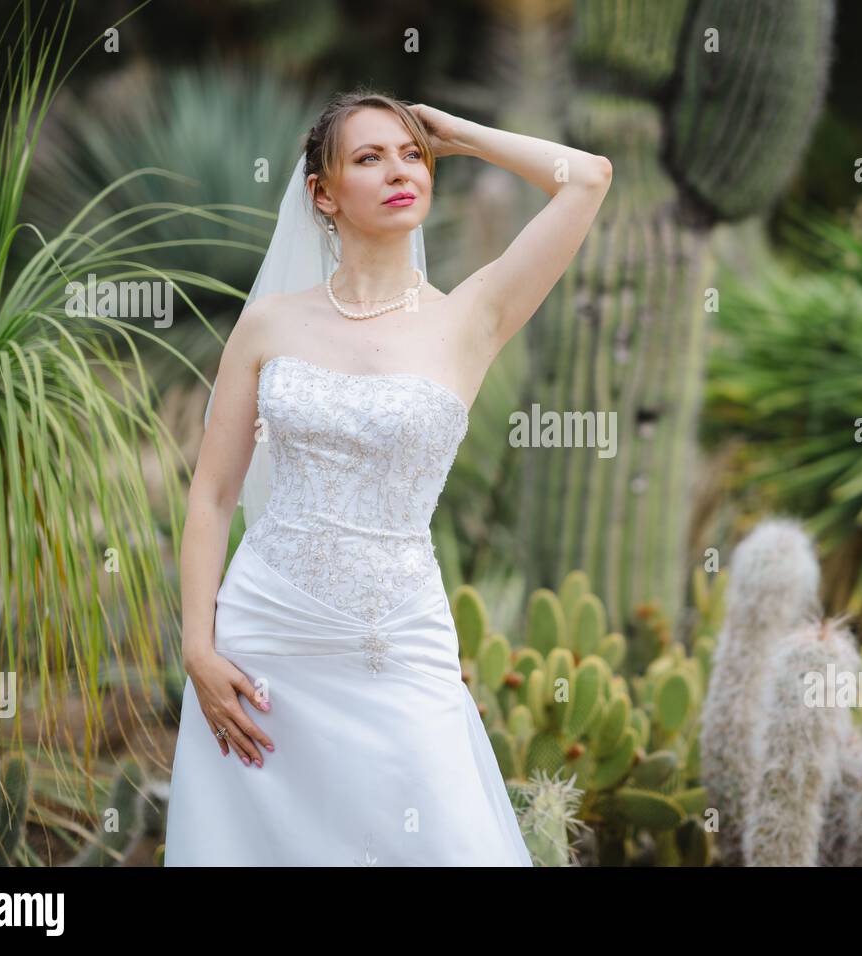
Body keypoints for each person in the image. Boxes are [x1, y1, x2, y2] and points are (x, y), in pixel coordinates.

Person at [163, 89, 611, 865]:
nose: (400, 170)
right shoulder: (270, 324)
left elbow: (589, 178)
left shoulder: (469, 316)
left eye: (411, 155)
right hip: (265, 634)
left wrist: (457, 134)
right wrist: (198, 651)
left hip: (398, 639)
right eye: (369, 158)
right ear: (322, 194)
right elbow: (211, 494)